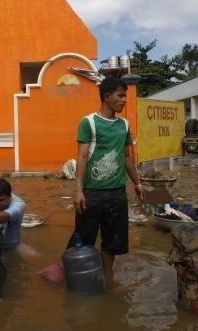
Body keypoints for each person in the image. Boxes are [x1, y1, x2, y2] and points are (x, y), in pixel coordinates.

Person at [67, 76, 146, 271]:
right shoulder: (89, 123)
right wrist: (79, 191)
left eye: (125, 96)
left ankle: (107, 278)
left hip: (117, 194)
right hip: (92, 194)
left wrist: (137, 183)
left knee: (113, 242)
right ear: (107, 96)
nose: (124, 100)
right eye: (120, 96)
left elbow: (126, 156)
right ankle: (81, 275)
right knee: (84, 240)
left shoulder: (124, 125)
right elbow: (82, 157)